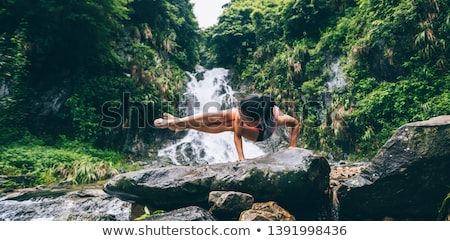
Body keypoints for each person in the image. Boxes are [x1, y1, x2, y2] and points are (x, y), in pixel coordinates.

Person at [154, 94, 300, 161]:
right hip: (253, 121)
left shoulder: (276, 120)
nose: (239, 117)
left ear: (257, 120)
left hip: (262, 134)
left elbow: (295, 124)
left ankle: (182, 125)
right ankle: (179, 122)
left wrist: (292, 146)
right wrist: (241, 157)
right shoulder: (244, 111)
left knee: (228, 125)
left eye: (244, 117)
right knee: (219, 115)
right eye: (240, 112)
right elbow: (238, 120)